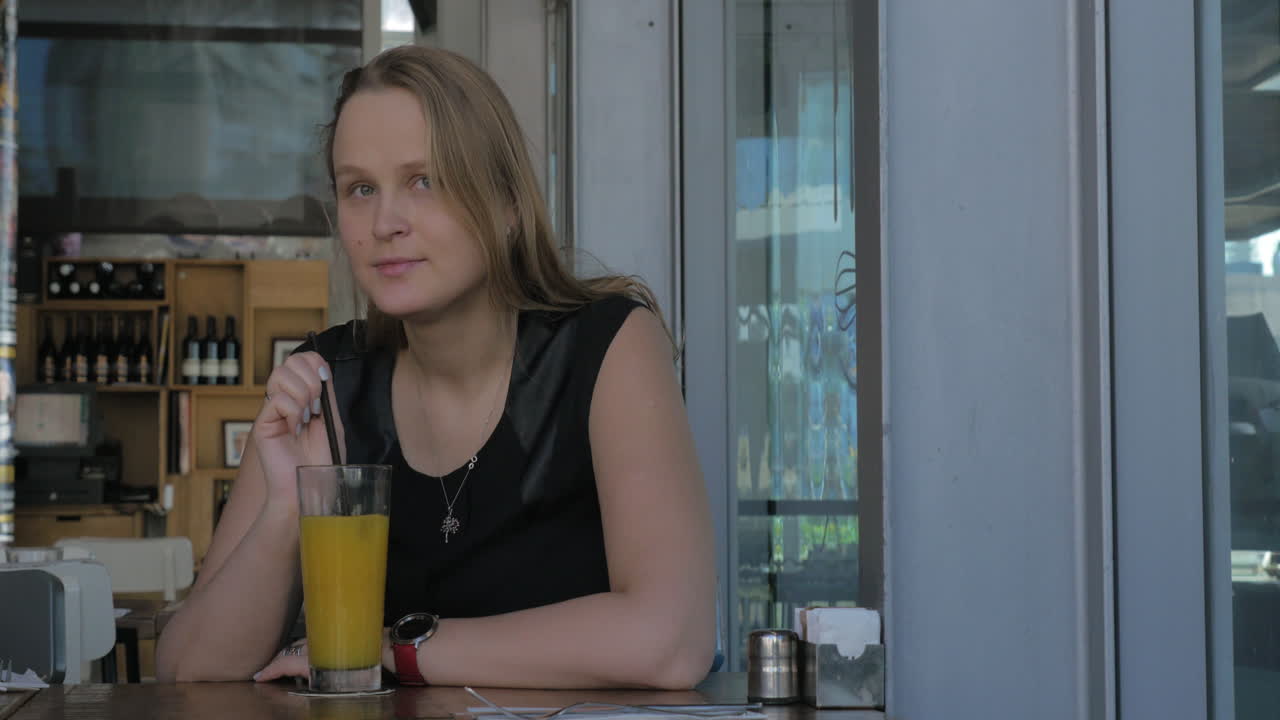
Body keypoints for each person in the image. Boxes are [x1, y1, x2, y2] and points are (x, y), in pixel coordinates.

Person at [154, 45, 715, 689]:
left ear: (507, 205)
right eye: (360, 188)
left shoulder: (607, 345)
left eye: (424, 180)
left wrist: (397, 649)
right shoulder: (327, 382)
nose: (385, 222)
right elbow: (188, 669)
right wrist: (288, 506)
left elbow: (672, 639)